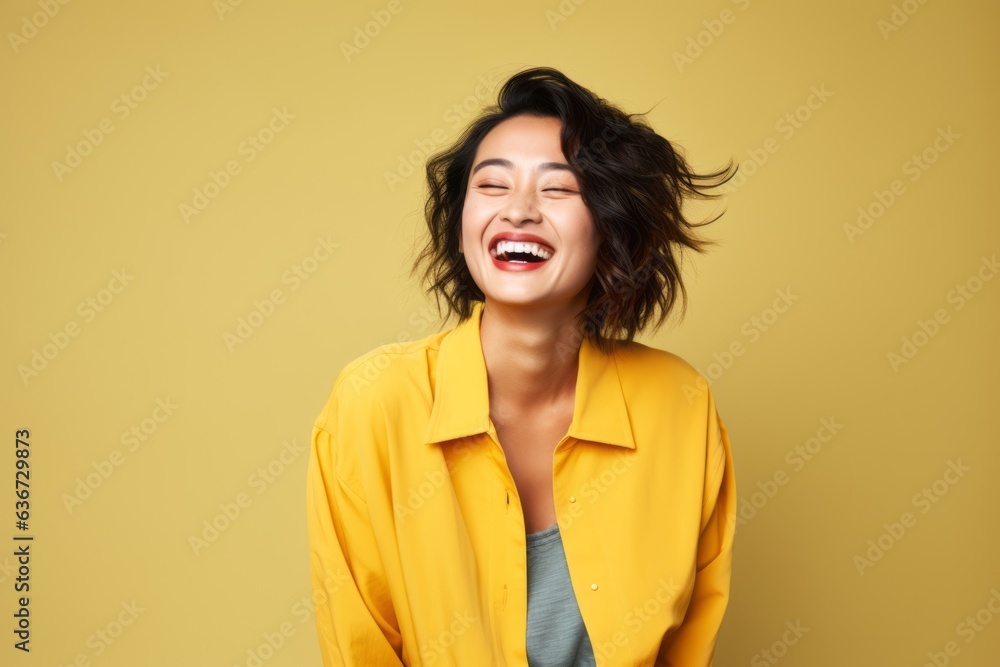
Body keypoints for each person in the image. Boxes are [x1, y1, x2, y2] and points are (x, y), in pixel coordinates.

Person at [306, 66, 739, 666]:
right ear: (461, 228)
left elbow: (689, 644)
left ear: (611, 230)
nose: (519, 211)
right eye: (491, 186)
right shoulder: (373, 405)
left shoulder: (679, 405)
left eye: (558, 189)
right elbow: (361, 645)